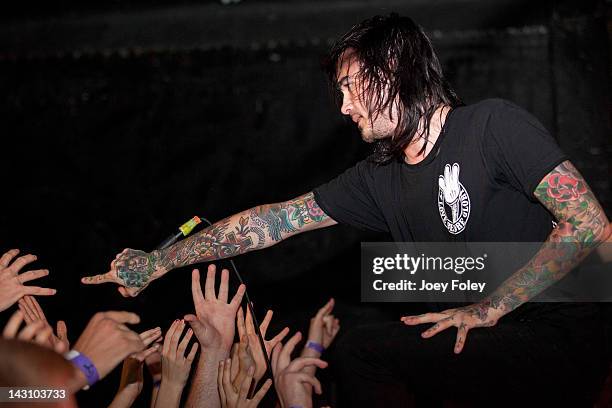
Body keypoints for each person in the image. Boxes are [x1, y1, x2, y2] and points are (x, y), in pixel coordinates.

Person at [82, 13, 611, 406]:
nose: (343, 107)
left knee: (363, 353)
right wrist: (157, 263)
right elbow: (270, 223)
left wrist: (491, 306)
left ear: (396, 70)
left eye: (350, 87)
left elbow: (587, 222)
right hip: (487, 340)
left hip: (559, 326)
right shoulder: (376, 179)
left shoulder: (492, 126)